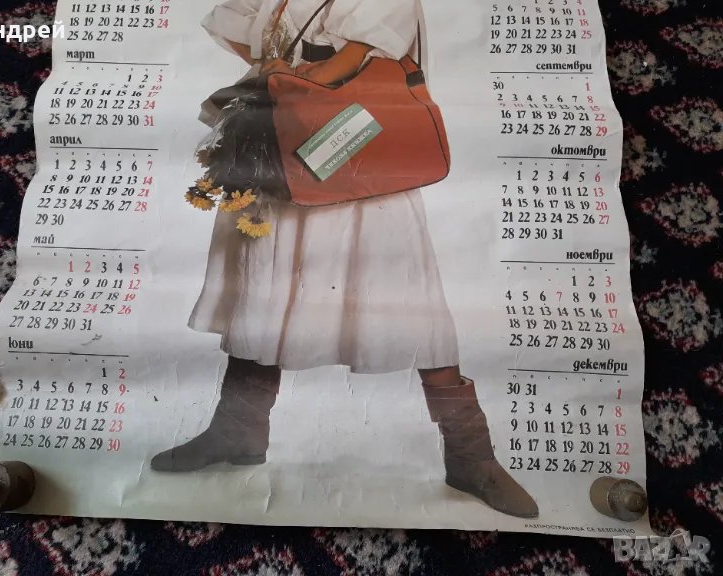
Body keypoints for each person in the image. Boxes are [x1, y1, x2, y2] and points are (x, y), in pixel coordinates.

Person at [151, 0, 539, 519]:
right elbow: (238, 28)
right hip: (285, 135)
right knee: (264, 287)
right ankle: (237, 432)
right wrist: (273, 66)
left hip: (353, 142)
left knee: (409, 301)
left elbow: (348, 61)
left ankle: (472, 457)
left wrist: (284, 76)